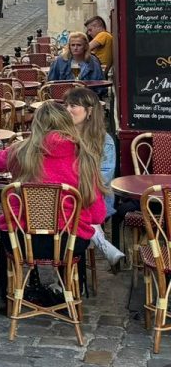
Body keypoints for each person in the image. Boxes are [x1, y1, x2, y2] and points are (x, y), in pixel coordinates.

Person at [0, 101, 106, 304]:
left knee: (9, 226)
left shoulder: (22, 151)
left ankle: (4, 292)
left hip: (23, 241)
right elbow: (98, 216)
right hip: (69, 243)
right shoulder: (84, 156)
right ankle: (69, 289)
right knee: (77, 226)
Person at [64, 86, 125, 272]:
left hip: (94, 197)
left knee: (77, 208)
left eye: (73, 105)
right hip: (66, 197)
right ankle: (99, 239)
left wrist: (75, 182)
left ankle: (70, 278)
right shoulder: (61, 136)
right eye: (65, 105)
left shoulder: (103, 140)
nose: (67, 110)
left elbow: (103, 177)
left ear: (89, 111)